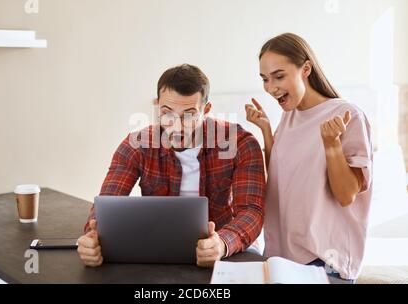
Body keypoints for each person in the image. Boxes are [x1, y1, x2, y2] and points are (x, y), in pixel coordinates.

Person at [78, 64, 266, 268]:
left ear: (207, 109)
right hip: (160, 248)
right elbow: (106, 204)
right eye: (167, 113)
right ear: (158, 106)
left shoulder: (240, 143)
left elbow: (251, 211)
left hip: (227, 249)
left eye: (189, 115)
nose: (177, 126)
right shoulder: (138, 144)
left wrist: (222, 243)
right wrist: (92, 238)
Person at [245, 33, 373, 282]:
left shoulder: (347, 115)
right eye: (265, 79)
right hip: (281, 256)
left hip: (324, 261)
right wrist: (266, 131)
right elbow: (280, 174)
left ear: (306, 68)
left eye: (279, 76)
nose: (271, 88)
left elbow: (346, 195)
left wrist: (332, 145)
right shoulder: (290, 115)